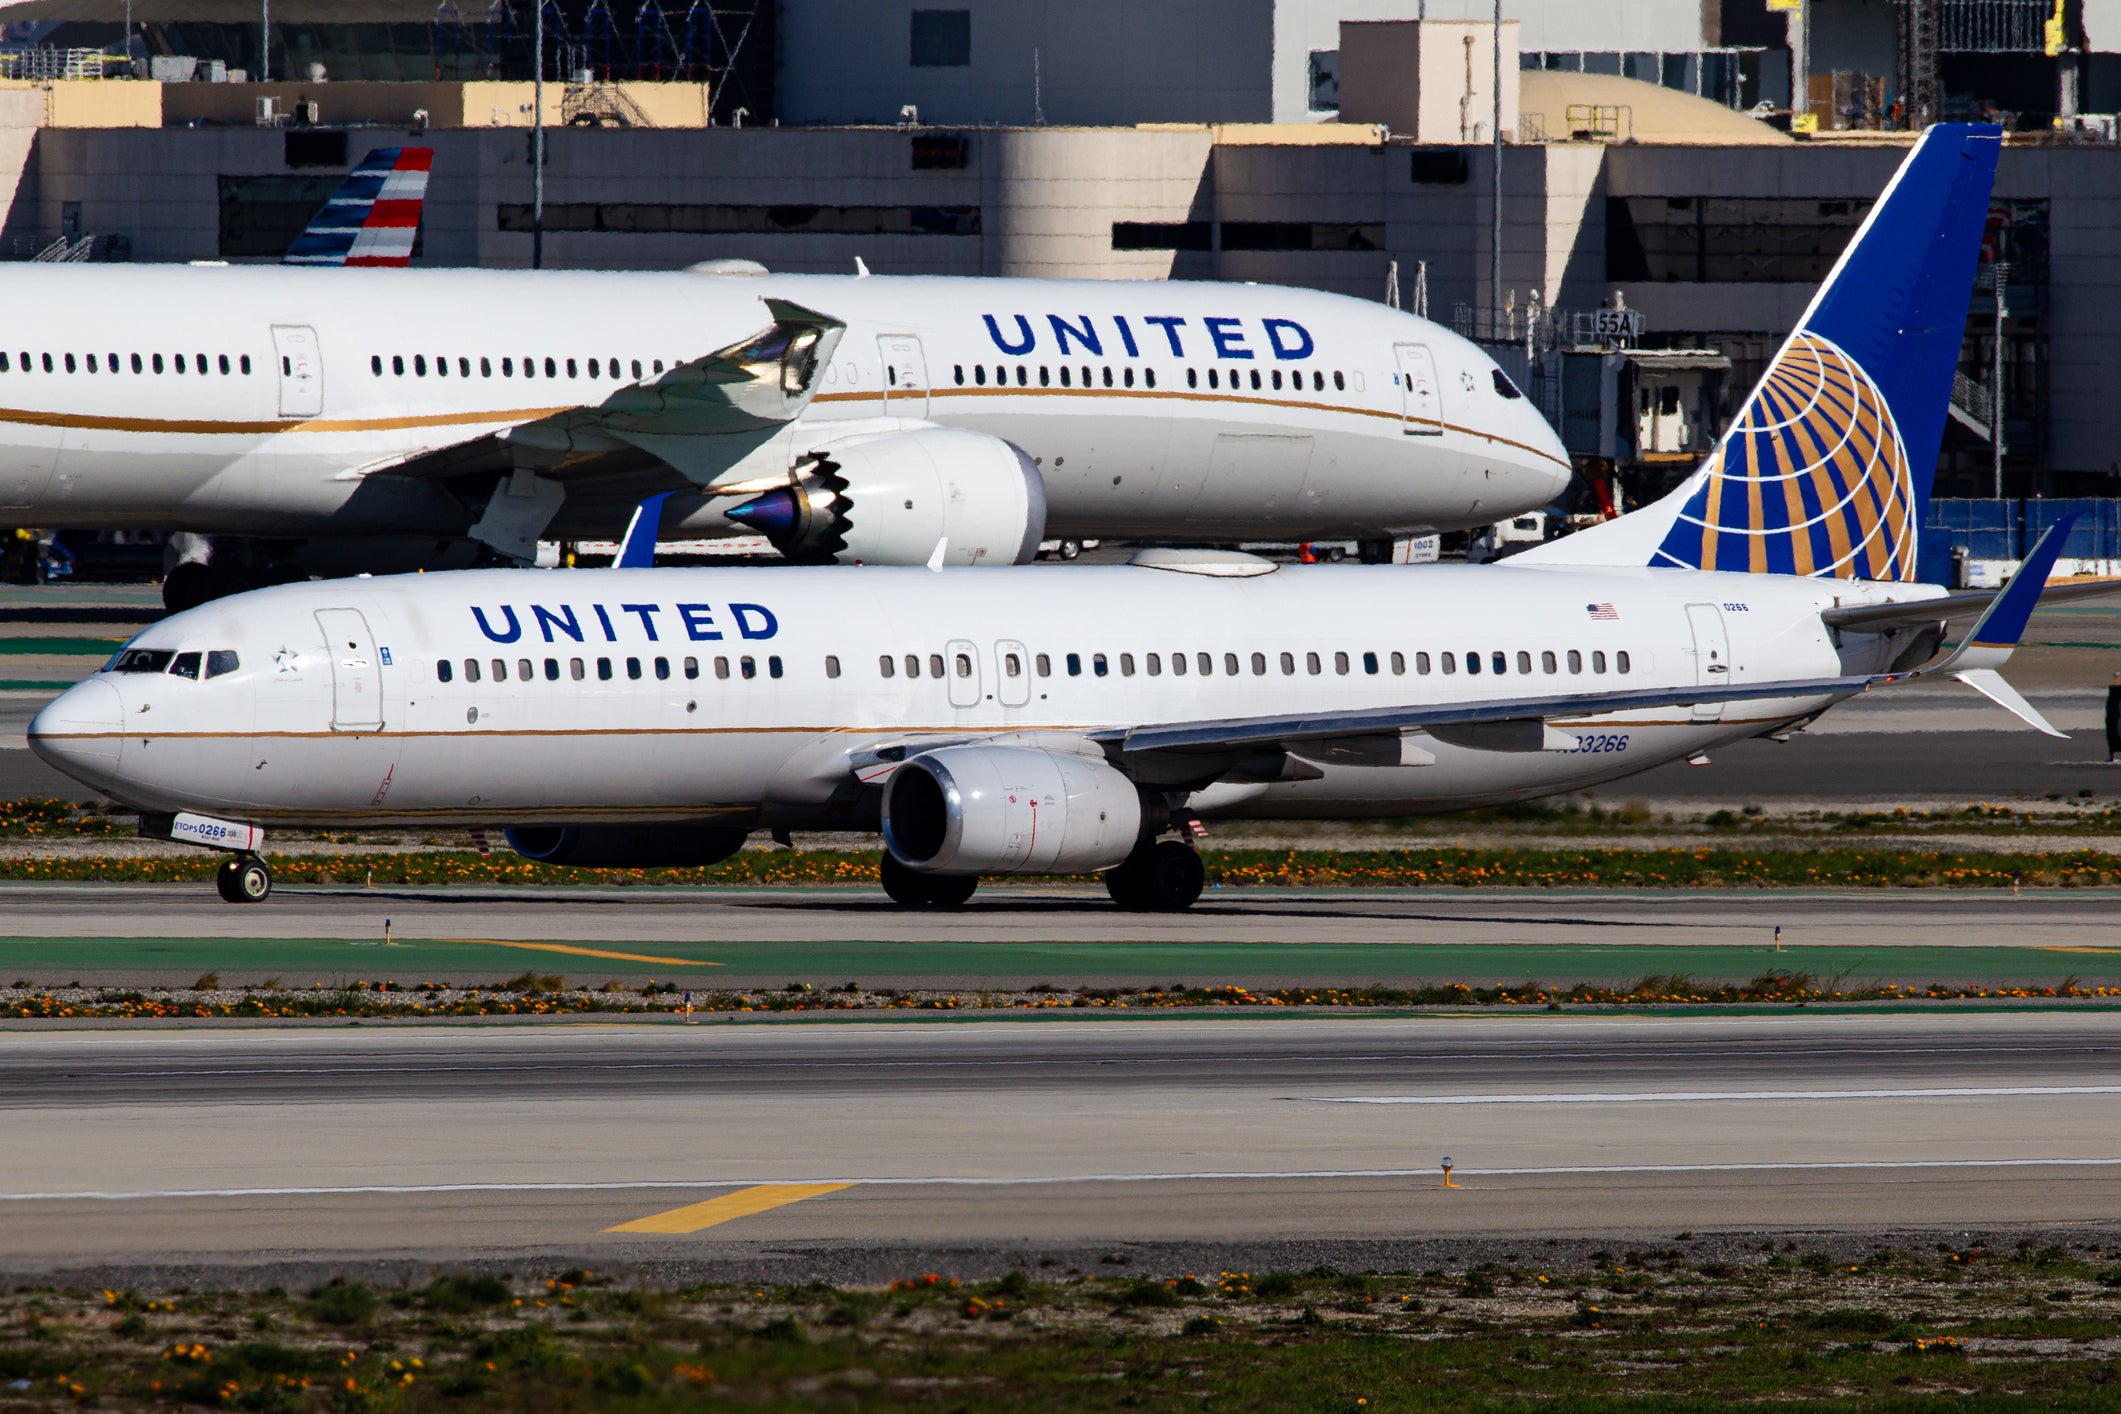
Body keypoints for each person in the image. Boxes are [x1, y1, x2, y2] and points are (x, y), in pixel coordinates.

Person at [2106, 672, 2121, 763]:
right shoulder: (2113, 697)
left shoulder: (2115, 696)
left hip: (2116, 716)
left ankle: (2111, 755)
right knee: (2112, 733)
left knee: (2115, 733)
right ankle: (2111, 755)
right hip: (2113, 717)